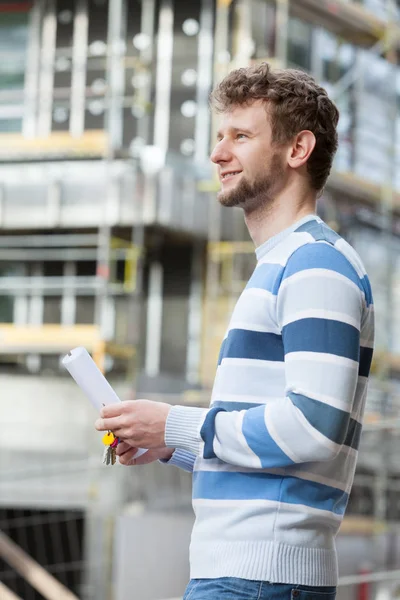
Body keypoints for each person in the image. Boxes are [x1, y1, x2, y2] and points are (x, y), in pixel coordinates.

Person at [95, 63, 374, 600]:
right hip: (250, 577)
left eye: (241, 136)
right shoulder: (284, 265)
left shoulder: (315, 265)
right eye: (219, 136)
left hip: (259, 580)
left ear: (297, 150)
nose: (218, 153)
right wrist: (162, 440)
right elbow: (272, 441)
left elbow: (313, 428)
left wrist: (178, 425)